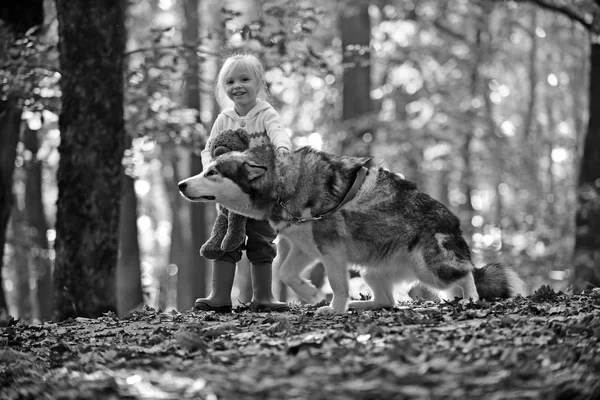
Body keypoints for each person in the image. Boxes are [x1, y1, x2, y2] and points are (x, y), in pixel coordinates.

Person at [195, 53, 291, 313]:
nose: (237, 86)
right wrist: (210, 170)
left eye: (245, 79)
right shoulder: (224, 118)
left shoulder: (265, 113)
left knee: (262, 240)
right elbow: (208, 149)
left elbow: (278, 131)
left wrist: (282, 148)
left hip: (261, 194)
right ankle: (219, 296)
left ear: (258, 83)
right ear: (224, 87)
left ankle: (263, 297)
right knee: (225, 238)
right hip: (230, 196)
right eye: (230, 82)